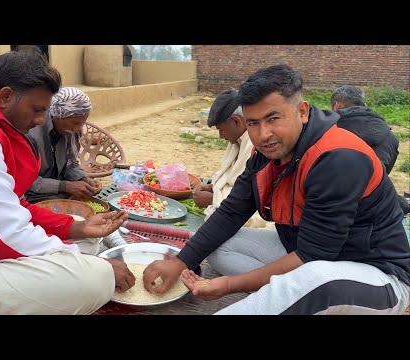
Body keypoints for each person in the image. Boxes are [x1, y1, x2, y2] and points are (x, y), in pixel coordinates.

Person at [143, 64, 410, 315]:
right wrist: (179, 262)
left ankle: (284, 297)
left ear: (302, 112)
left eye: (273, 118)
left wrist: (229, 285)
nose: (263, 134)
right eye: (253, 123)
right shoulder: (267, 154)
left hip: (377, 276)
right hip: (308, 254)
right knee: (218, 244)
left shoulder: (337, 158)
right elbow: (231, 213)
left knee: (314, 280)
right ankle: (284, 297)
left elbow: (312, 258)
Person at [0, 48, 135, 315]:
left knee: (87, 238)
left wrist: (77, 230)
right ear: (5, 96)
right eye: (37, 109)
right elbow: (8, 236)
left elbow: (11, 207)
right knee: (95, 278)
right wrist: (90, 266)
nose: (40, 119)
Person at [193, 88, 271, 229]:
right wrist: (213, 187)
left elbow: (256, 203)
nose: (221, 136)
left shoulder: (261, 147)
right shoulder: (238, 140)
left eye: (221, 129)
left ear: (236, 122)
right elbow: (233, 178)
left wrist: (212, 200)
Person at [331, 85, 409, 214]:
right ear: (365, 105)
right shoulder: (390, 135)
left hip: (336, 203)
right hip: (377, 198)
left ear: (336, 105)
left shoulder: (327, 130)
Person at [24, 87, 102, 204]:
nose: (77, 129)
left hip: (59, 190)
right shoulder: (31, 134)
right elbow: (27, 181)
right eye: (75, 123)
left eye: (82, 123)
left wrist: (83, 178)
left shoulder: (72, 130)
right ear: (58, 115)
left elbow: (70, 162)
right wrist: (65, 186)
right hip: (31, 195)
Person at [331, 85, 399, 174]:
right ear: (365, 106)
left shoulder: (330, 131)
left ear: (336, 106)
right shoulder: (390, 137)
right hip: (378, 186)